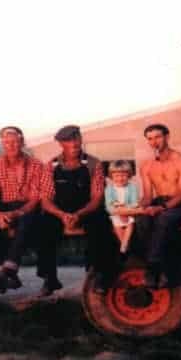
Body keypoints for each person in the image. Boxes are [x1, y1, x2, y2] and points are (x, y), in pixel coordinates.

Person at [38, 125, 119, 296]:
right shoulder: (51, 165)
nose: (74, 144)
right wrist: (61, 215)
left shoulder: (93, 163)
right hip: (60, 211)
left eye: (76, 139)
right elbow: (46, 199)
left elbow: (97, 197)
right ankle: (49, 278)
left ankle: (99, 275)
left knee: (100, 225)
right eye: (69, 141)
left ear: (81, 139)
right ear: (61, 144)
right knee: (44, 226)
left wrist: (79, 214)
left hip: (87, 209)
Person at [0, 126, 44, 293]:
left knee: (26, 221)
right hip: (3, 207)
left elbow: (34, 199)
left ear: (22, 142)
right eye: (7, 142)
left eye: (15, 141)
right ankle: (8, 270)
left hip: (26, 207)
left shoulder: (36, 165)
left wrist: (17, 213)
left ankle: (7, 270)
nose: (11, 146)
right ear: (2, 143)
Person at [137, 123, 181, 288]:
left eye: (157, 137)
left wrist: (161, 208)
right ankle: (160, 268)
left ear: (167, 137)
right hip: (159, 202)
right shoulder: (146, 165)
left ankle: (153, 267)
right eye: (150, 139)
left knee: (164, 219)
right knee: (142, 219)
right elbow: (148, 196)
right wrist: (139, 207)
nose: (154, 142)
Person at [104, 160, 141, 257]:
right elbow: (109, 205)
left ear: (129, 175)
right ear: (111, 176)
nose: (120, 178)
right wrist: (119, 211)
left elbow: (134, 203)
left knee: (130, 222)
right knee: (116, 224)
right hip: (116, 212)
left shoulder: (132, 187)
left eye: (123, 175)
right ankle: (124, 243)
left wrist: (126, 211)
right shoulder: (109, 189)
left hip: (129, 211)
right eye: (117, 176)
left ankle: (125, 242)